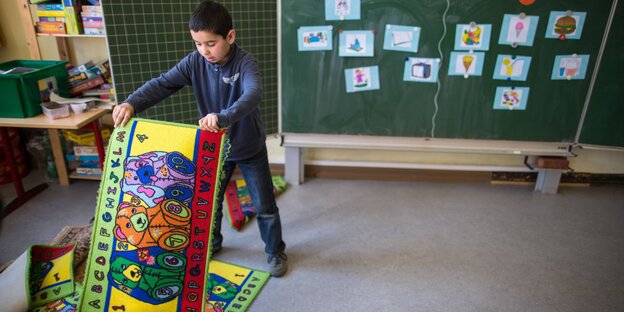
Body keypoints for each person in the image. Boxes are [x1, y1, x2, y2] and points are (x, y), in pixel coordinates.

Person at [111, 0, 287, 277]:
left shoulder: (245, 63)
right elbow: (162, 83)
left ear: (230, 36)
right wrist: (132, 103)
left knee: (264, 205)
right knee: (209, 201)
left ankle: (275, 252)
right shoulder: (195, 62)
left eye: (210, 43)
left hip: (249, 147)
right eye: (197, 44)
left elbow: (252, 95)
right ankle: (213, 243)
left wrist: (223, 116)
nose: (204, 51)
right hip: (216, 149)